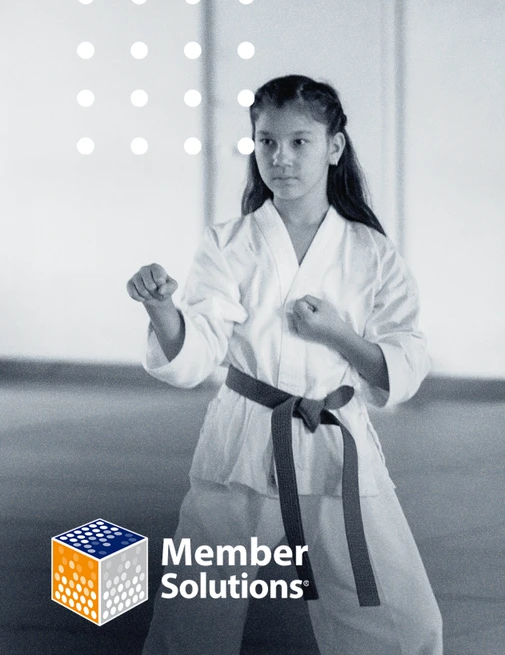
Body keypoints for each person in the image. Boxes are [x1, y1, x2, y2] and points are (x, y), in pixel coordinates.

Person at [132, 75, 442, 654]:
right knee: (193, 623)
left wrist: (336, 332)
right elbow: (198, 349)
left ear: (334, 147)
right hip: (243, 442)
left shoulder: (370, 251)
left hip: (337, 445)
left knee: (404, 622)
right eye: (267, 142)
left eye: (300, 142)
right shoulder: (229, 242)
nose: (281, 157)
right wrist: (160, 308)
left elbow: (406, 358)